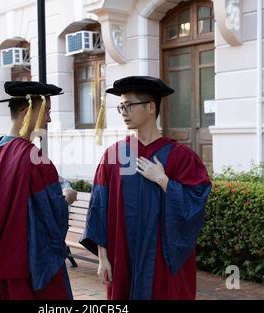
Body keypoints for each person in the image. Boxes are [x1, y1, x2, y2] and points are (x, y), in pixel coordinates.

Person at [80, 76, 212, 300]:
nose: (123, 111)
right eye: (121, 106)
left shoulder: (181, 156)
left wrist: (164, 181)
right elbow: (99, 208)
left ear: (151, 107)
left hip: (162, 260)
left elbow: (195, 202)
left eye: (129, 105)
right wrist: (103, 258)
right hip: (123, 258)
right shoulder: (114, 155)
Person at [0, 81, 73, 300]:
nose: (49, 119)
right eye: (47, 111)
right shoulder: (35, 159)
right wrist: (66, 199)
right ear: (27, 111)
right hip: (25, 267)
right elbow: (50, 214)